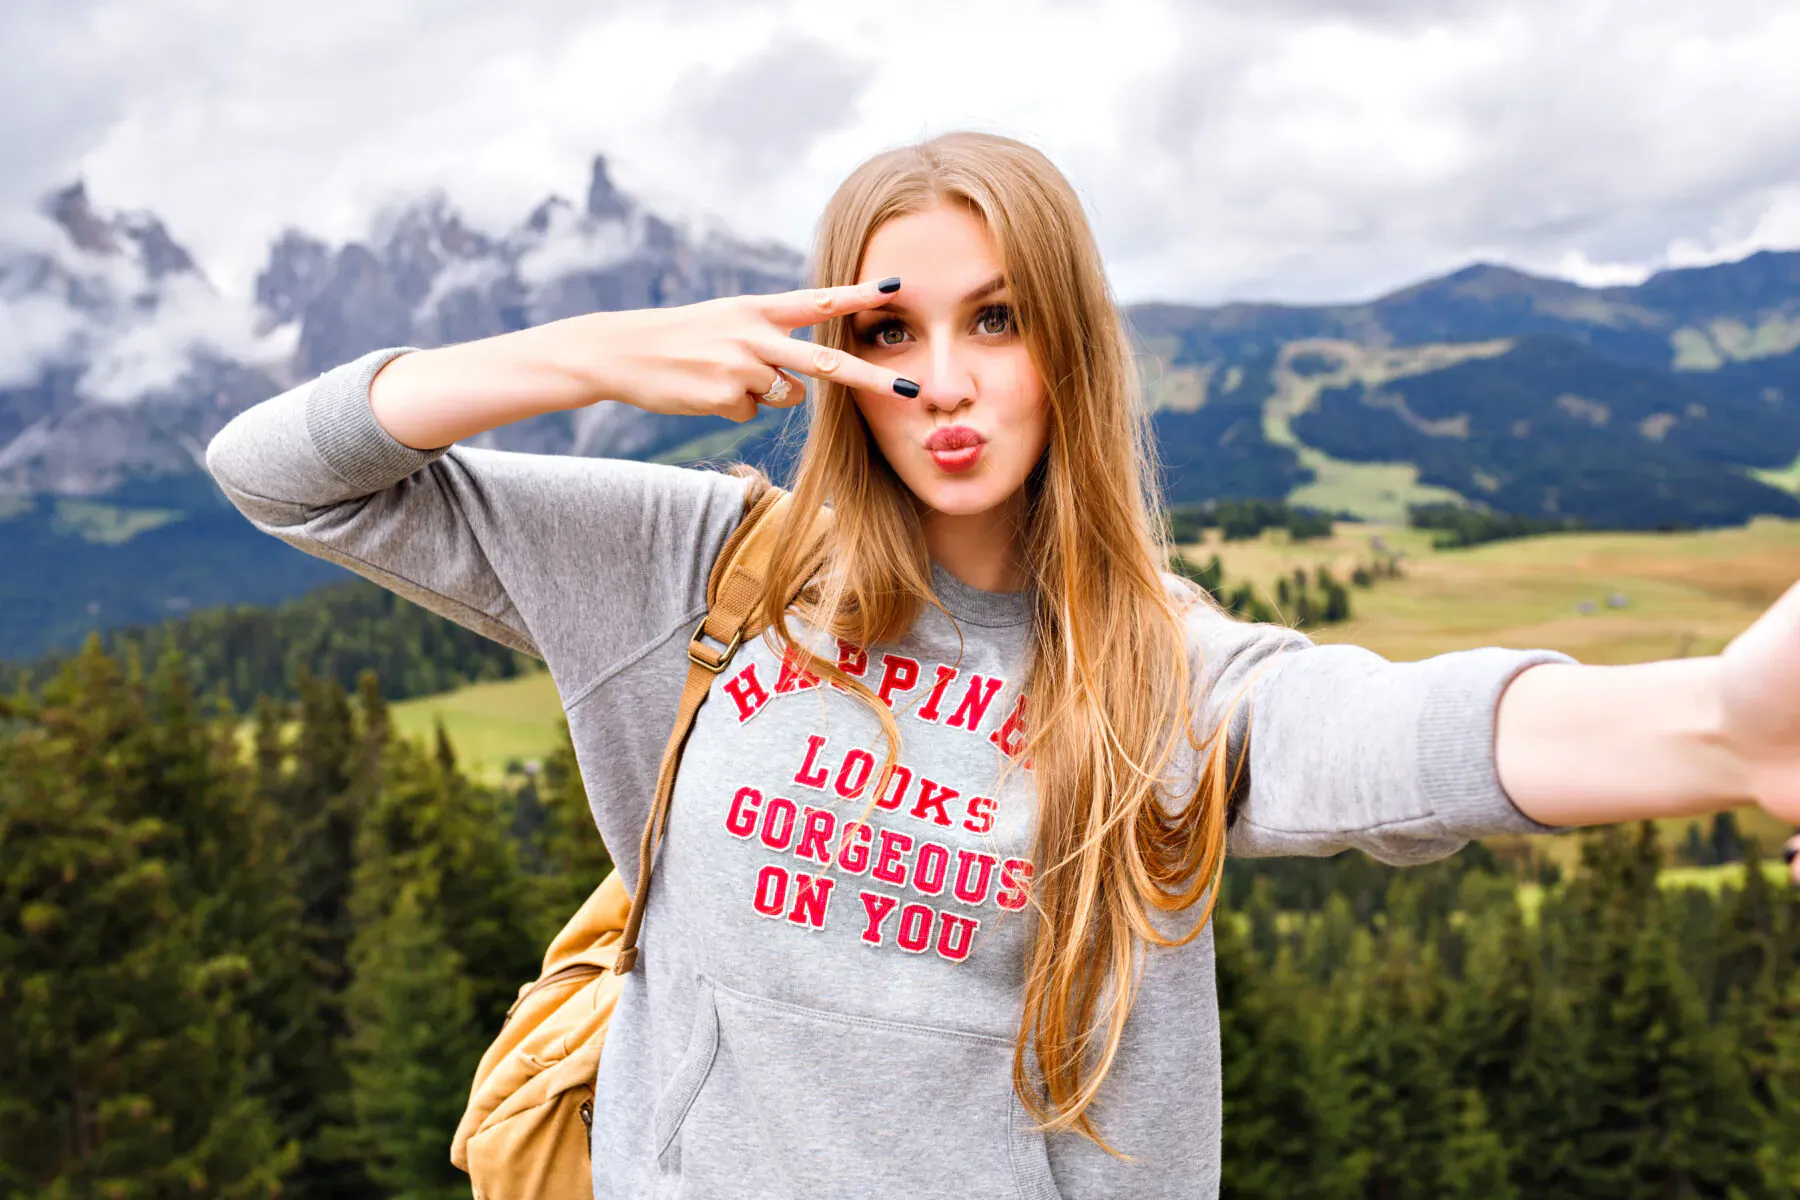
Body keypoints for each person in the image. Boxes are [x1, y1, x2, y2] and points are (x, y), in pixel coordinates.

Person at [202, 130, 1800, 1199]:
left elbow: (1401, 734)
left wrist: (1728, 724)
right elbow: (279, 474)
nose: (944, 381)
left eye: (997, 322)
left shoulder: (1159, 673)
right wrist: (578, 357)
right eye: (890, 331)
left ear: (1067, 354)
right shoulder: (694, 569)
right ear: (837, 356)